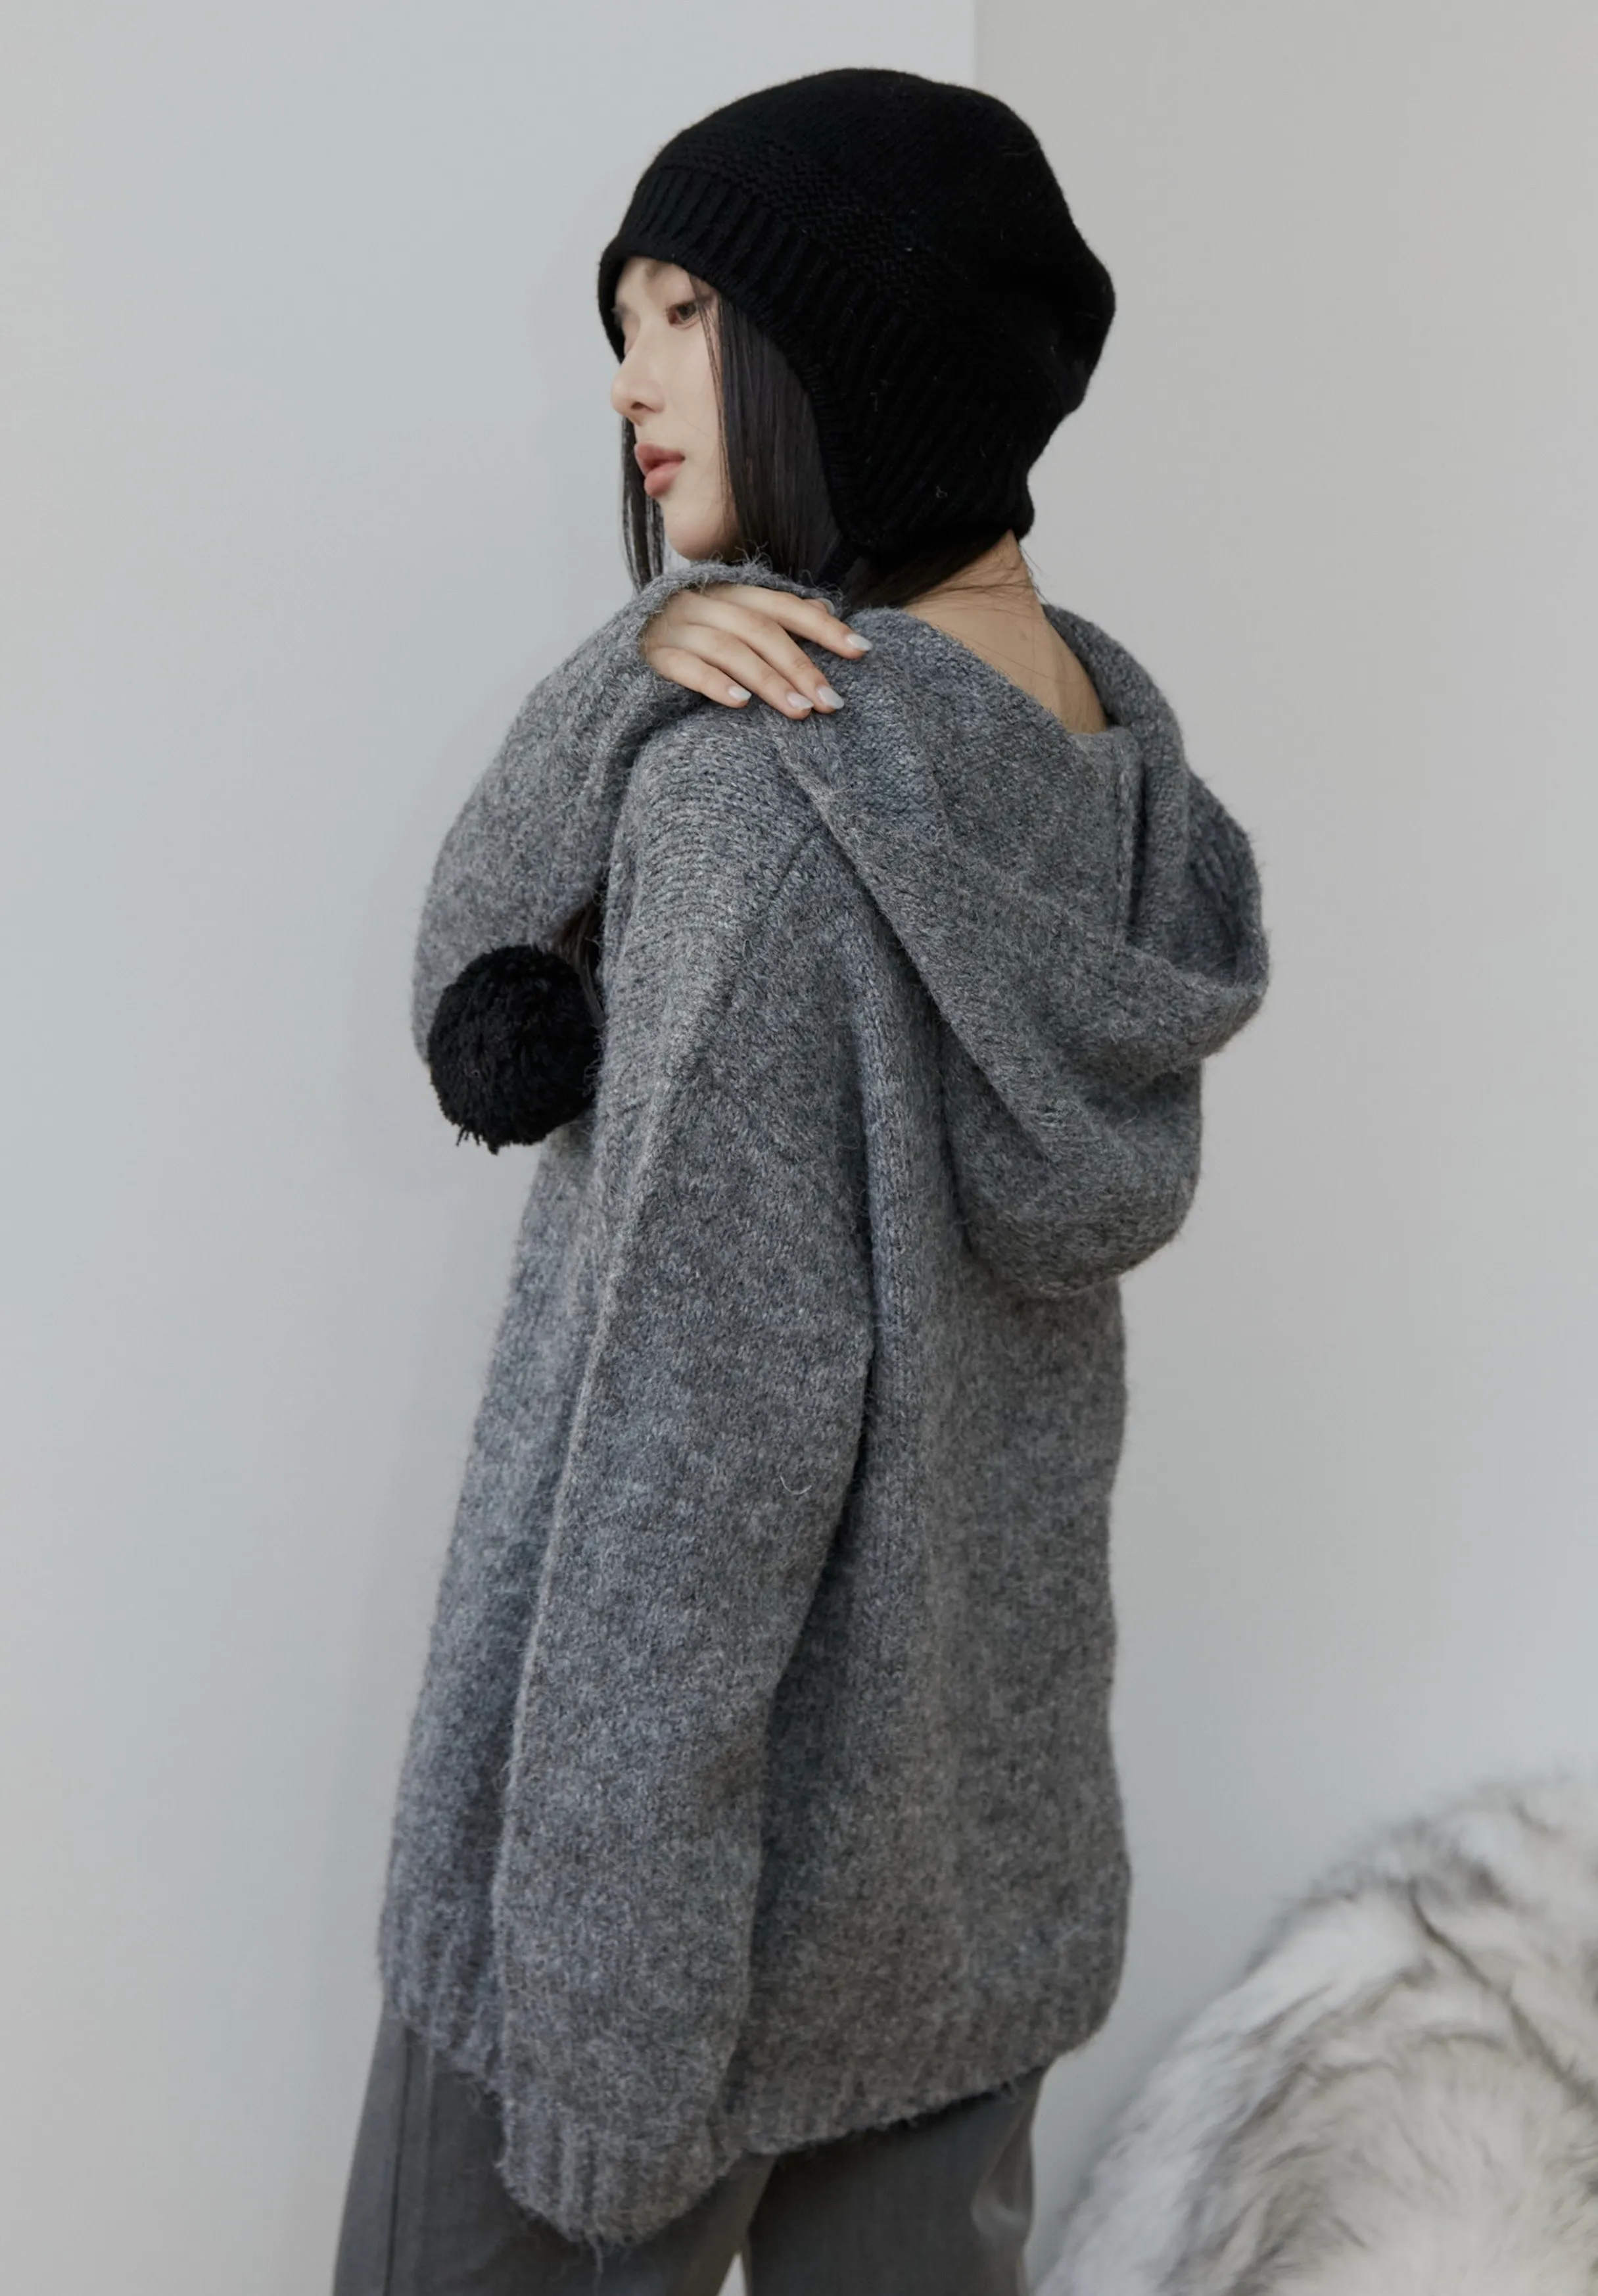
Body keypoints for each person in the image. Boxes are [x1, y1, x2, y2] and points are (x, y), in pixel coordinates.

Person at [332, 66, 1269, 2296]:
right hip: (958, 1890)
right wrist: (629, 675)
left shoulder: (761, 817)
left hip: (647, 1949)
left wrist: (595, 2040)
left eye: (680, 314)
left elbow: (684, 1480)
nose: (627, 378)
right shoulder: (1092, 777)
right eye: (624, 321)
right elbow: (493, 991)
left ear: (857, 353)